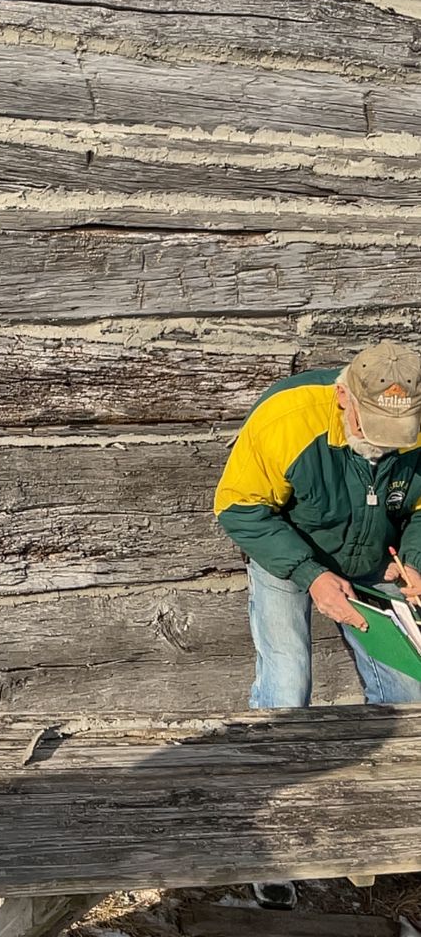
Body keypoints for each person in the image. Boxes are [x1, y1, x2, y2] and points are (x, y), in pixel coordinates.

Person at [214, 340, 421, 909]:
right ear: (342, 398)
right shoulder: (286, 417)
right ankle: (272, 843)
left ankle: (384, 831)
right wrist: (309, 573)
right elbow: (239, 507)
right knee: (287, 683)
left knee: (408, 692)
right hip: (288, 554)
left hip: (378, 559)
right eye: (373, 426)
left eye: (398, 432)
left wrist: (418, 560)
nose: (383, 444)